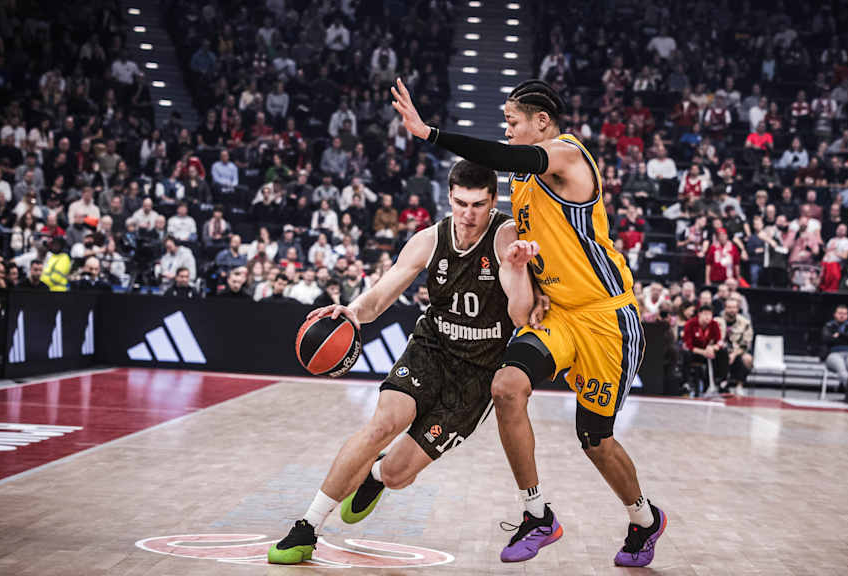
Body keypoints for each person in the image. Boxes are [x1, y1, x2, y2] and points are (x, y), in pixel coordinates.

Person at [391, 78, 663, 566]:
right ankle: (537, 513)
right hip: (558, 315)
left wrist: (429, 133)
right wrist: (528, 276)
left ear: (541, 121)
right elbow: (542, 242)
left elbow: (510, 158)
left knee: (594, 440)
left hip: (606, 318)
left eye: (512, 123)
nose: (508, 132)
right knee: (506, 388)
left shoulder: (566, 155)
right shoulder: (521, 183)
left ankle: (644, 519)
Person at [268, 161, 537, 564]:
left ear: (493, 201)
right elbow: (381, 296)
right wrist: (354, 311)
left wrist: (516, 269)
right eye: (461, 203)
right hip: (431, 348)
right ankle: (307, 527)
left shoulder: (506, 238)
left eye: (478, 205)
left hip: (477, 373)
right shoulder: (429, 239)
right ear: (448, 197)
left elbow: (519, 317)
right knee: (383, 423)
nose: (468, 214)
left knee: (397, 474)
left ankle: (376, 475)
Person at [682, 304, 728, 395]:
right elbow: (689, 345)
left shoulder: (714, 324)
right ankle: (686, 383)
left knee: (723, 352)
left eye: (710, 314)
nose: (708, 317)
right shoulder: (690, 324)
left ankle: (722, 382)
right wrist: (704, 352)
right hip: (695, 352)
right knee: (685, 354)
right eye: (705, 314)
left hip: (709, 352)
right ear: (699, 314)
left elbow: (719, 341)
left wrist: (713, 348)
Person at [720, 297, 753, 391]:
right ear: (725, 308)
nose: (732, 310)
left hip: (738, 351)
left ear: (738, 309)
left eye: (734, 307)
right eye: (729, 307)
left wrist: (734, 354)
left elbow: (746, 344)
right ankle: (718, 384)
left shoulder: (745, 323)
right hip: (720, 350)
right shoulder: (717, 321)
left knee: (748, 359)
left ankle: (739, 386)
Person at [823, 305, 848, 389]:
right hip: (834, 354)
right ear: (835, 314)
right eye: (840, 313)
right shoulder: (829, 326)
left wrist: (839, 335)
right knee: (842, 371)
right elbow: (827, 339)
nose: (842, 315)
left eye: (845, 313)